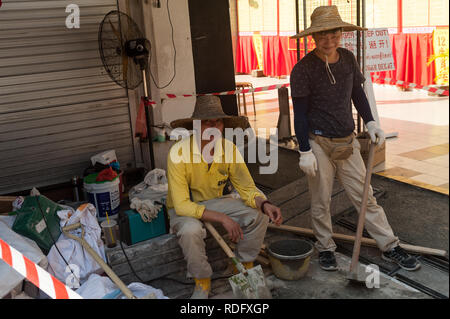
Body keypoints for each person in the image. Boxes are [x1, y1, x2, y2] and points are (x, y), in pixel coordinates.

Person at [290, 5, 420, 272]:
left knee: (365, 196)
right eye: (323, 36)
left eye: (334, 34)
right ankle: (325, 247)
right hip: (318, 142)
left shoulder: (348, 58)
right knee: (321, 198)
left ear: (341, 34)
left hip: (346, 140)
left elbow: (357, 94)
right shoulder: (303, 69)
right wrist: (304, 150)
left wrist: (371, 121)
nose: (329, 41)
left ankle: (389, 245)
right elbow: (300, 114)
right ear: (314, 37)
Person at [167, 95, 283, 299]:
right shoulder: (178, 152)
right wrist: (222, 218)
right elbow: (182, 205)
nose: (213, 127)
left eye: (217, 122)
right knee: (190, 229)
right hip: (184, 208)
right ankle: (202, 281)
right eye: (206, 123)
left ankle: (242, 265)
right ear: (195, 127)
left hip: (214, 202)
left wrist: (264, 204)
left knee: (259, 212)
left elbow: (247, 188)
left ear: (223, 126)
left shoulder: (228, 149)